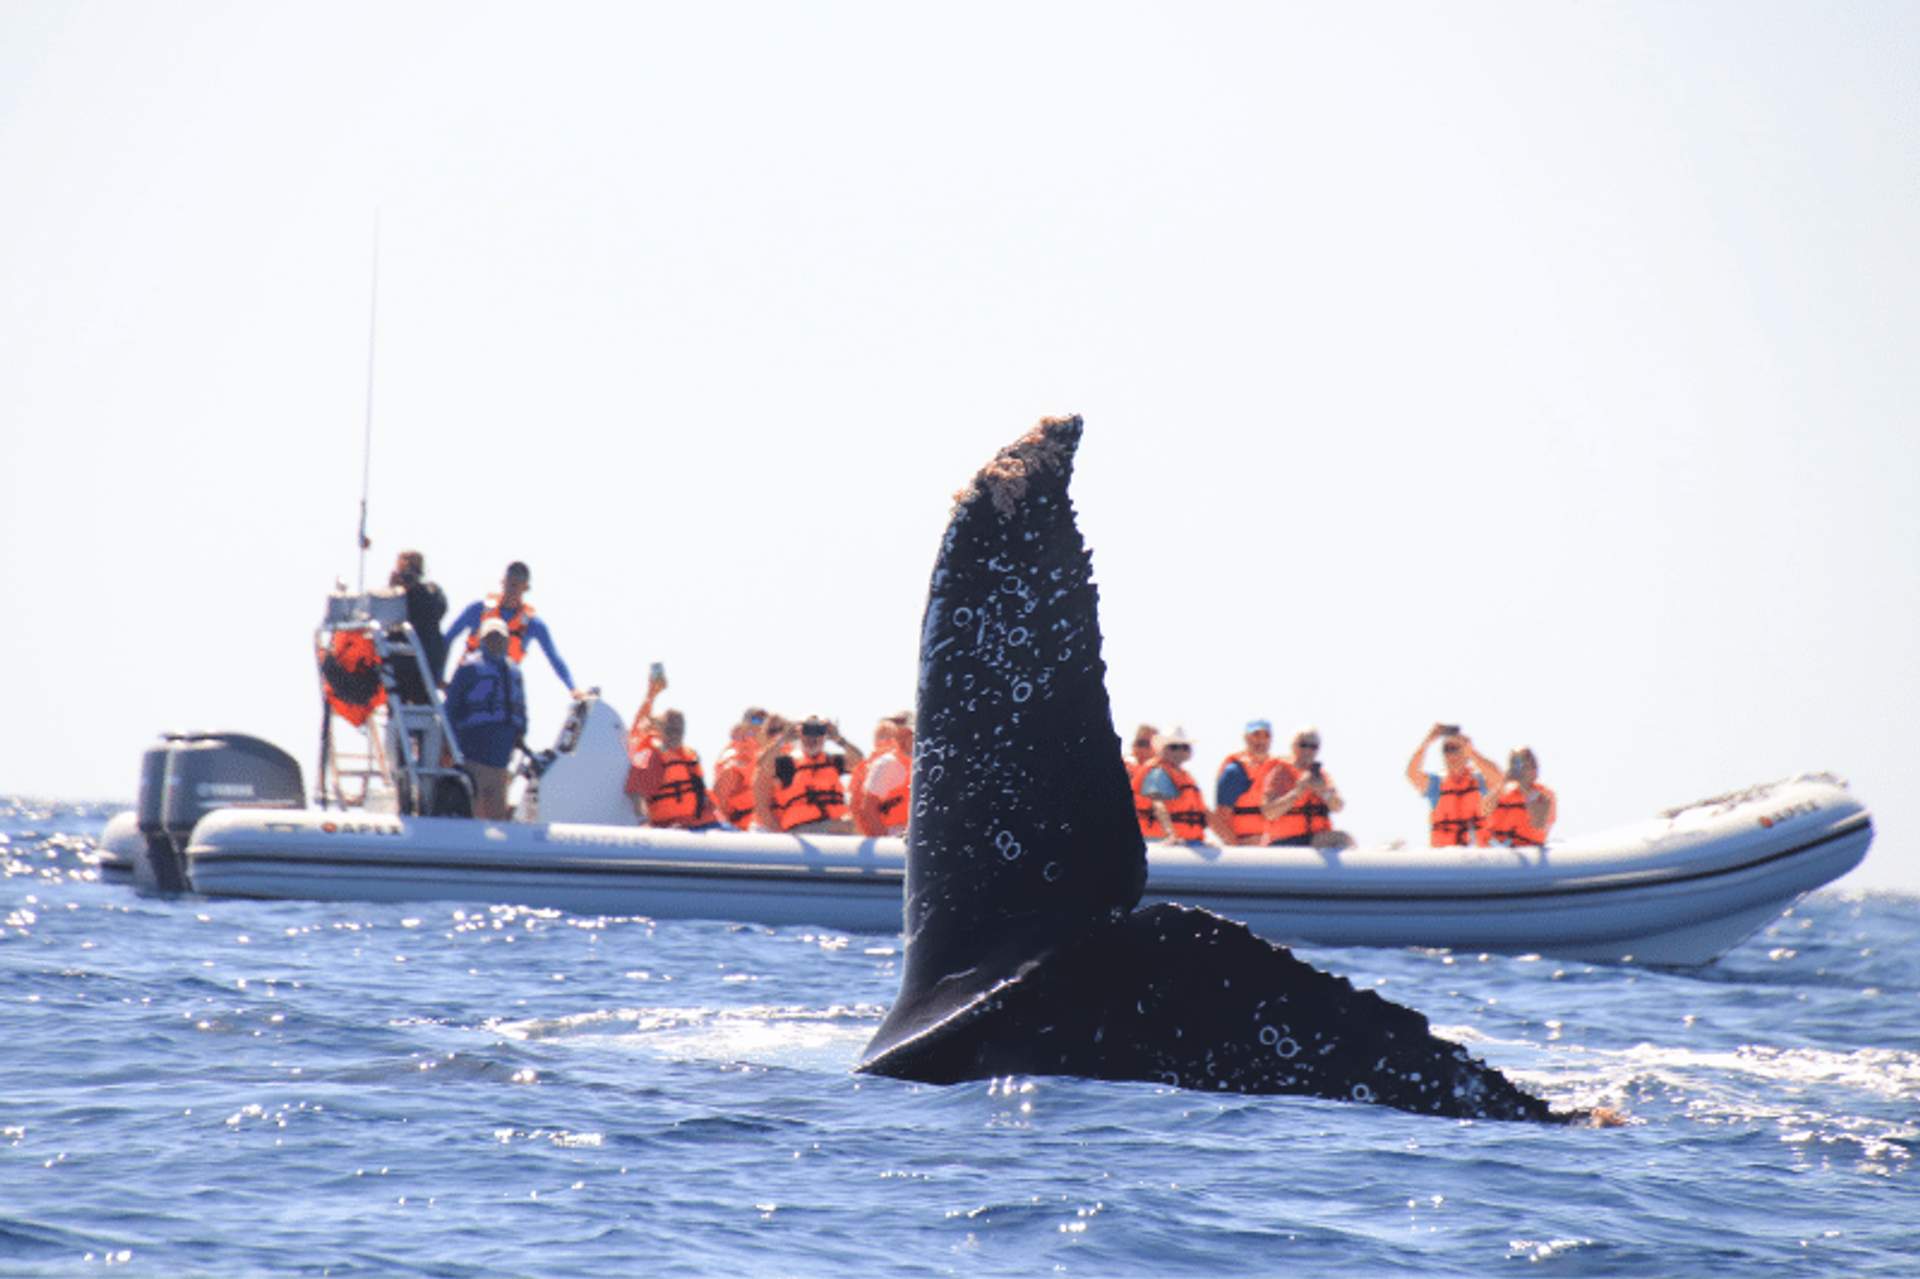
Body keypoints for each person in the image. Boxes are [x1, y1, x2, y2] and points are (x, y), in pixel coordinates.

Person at [442, 561, 580, 695]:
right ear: (502, 582)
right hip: (466, 684)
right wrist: (439, 677)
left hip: (498, 692)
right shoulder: (478, 609)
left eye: (516, 585)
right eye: (509, 583)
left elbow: (554, 658)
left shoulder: (533, 625)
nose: (511, 590)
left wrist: (573, 689)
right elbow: (447, 639)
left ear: (525, 588)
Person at [443, 617, 528, 820]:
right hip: (473, 757)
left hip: (501, 760)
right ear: (482, 640)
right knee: (474, 811)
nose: (496, 642)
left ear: (507, 641)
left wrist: (521, 734)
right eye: (491, 637)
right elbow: (451, 708)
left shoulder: (514, 672)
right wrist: (448, 744)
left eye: (500, 638)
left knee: (497, 815)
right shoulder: (469, 669)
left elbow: (521, 710)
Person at [755, 717, 865, 834]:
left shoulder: (833, 761)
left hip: (835, 824)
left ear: (824, 738)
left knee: (859, 824)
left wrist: (839, 739)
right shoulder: (788, 764)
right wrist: (783, 740)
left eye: (818, 734)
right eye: (807, 734)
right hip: (803, 829)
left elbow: (859, 761)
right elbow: (762, 764)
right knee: (849, 826)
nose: (812, 739)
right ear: (800, 736)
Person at [1405, 723, 1505, 847]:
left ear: (1466, 752)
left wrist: (1471, 752)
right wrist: (1428, 741)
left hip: (1478, 857)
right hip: (1446, 858)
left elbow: (1499, 779)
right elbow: (1412, 773)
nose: (1451, 754)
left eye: (1456, 749)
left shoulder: (1481, 781)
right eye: (1447, 749)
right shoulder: (1436, 784)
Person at [1261, 726, 1354, 849]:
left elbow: (1338, 807)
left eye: (1313, 747)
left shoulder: (1321, 776)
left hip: (1315, 841)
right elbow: (1269, 813)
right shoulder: (1280, 773)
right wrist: (1299, 791)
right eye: (1303, 745)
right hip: (1284, 842)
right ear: (1293, 747)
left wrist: (1323, 791)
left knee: (1344, 839)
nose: (1308, 751)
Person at [385, 549, 448, 704]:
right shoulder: (395, 595)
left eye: (413, 569)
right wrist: (393, 590)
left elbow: (439, 608)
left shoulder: (431, 591)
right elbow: (384, 618)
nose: (408, 575)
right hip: (399, 668)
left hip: (425, 667)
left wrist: (415, 589)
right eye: (404, 571)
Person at [1214, 718, 1284, 846]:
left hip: (1275, 843)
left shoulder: (1279, 769)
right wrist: (1236, 846)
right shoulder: (1235, 772)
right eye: (1256, 735)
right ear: (1246, 738)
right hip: (1245, 844)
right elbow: (1222, 816)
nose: (1261, 741)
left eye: (1266, 736)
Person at [1138, 727, 1209, 845]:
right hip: (1158, 840)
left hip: (1187, 840)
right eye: (1174, 747)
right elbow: (1157, 804)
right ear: (1161, 750)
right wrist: (1170, 834)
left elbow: (1204, 812)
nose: (1180, 751)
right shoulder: (1158, 773)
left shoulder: (1186, 777)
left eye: (1185, 747)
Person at [852, 712, 914, 837]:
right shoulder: (888, 763)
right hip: (893, 834)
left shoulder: (918, 764)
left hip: (913, 832)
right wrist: (884, 842)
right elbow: (868, 808)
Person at [1481, 747, 1557, 847]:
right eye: (1515, 765)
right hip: (1496, 853)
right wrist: (1503, 782)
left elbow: (1539, 824)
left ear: (1535, 770)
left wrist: (1524, 787)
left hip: (1526, 852)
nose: (1520, 771)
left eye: (1524, 766)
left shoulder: (1545, 796)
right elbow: (1484, 811)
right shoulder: (1504, 794)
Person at [710, 708, 771, 830]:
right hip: (740, 828)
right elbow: (719, 799)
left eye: (765, 722)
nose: (760, 726)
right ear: (745, 725)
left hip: (765, 824)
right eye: (756, 720)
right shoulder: (734, 756)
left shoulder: (770, 753)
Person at [1124, 723, 1163, 840]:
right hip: (1128, 834)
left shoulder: (1165, 773)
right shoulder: (1121, 767)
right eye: (1139, 743)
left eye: (1148, 745)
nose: (1142, 749)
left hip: (1159, 838)